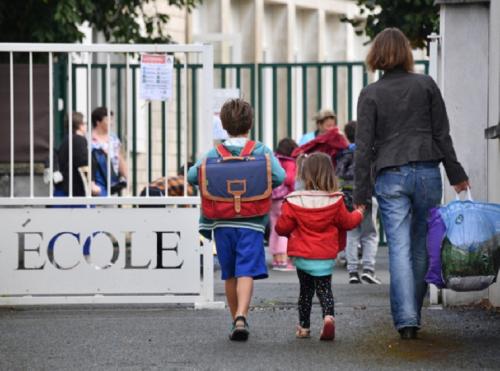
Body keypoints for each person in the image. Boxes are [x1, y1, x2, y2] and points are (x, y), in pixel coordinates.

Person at [354, 28, 469, 340]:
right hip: (428, 172)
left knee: (399, 248)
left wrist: (360, 196)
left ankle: (406, 321)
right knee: (421, 246)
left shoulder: (371, 94)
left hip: (390, 175)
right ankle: (412, 313)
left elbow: (363, 148)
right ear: (405, 52)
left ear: (376, 54)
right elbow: (441, 134)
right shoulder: (426, 85)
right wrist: (456, 174)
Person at [188, 98, 285, 341]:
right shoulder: (260, 150)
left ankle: (235, 320)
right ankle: (242, 315)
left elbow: (192, 175)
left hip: (221, 220)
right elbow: (280, 176)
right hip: (251, 220)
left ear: (223, 124)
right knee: (246, 271)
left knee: (229, 272)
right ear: (250, 123)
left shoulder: (214, 153)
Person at [275, 152, 364, 341]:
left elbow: (282, 228)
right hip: (325, 255)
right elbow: (347, 222)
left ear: (305, 173)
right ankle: (328, 317)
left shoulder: (294, 200)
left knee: (305, 291)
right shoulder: (335, 200)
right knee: (325, 290)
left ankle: (304, 327)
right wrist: (358, 213)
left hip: (303, 255)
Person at [336, 121, 380, 284]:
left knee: (352, 235)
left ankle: (352, 271)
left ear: (347, 136)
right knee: (370, 234)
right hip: (368, 197)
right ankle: (368, 269)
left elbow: (338, 175)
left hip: (348, 200)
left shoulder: (344, 155)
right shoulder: (369, 153)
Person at [269, 138, 298, 271]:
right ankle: (283, 259)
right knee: (285, 229)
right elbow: (290, 179)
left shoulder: (273, 160)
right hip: (284, 198)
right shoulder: (290, 162)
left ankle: (275, 259)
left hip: (271, 198)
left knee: (275, 228)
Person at [56, 112, 100, 198]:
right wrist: (91, 185)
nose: (86, 126)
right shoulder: (78, 140)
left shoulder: (67, 139)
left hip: (65, 190)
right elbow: (83, 163)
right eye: (85, 123)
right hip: (76, 193)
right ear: (80, 125)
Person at [91, 107, 128, 196]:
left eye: (111, 120)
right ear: (98, 122)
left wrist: (127, 178)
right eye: (108, 120)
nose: (111, 123)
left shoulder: (114, 138)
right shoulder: (88, 139)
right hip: (95, 183)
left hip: (112, 183)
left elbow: (120, 159)